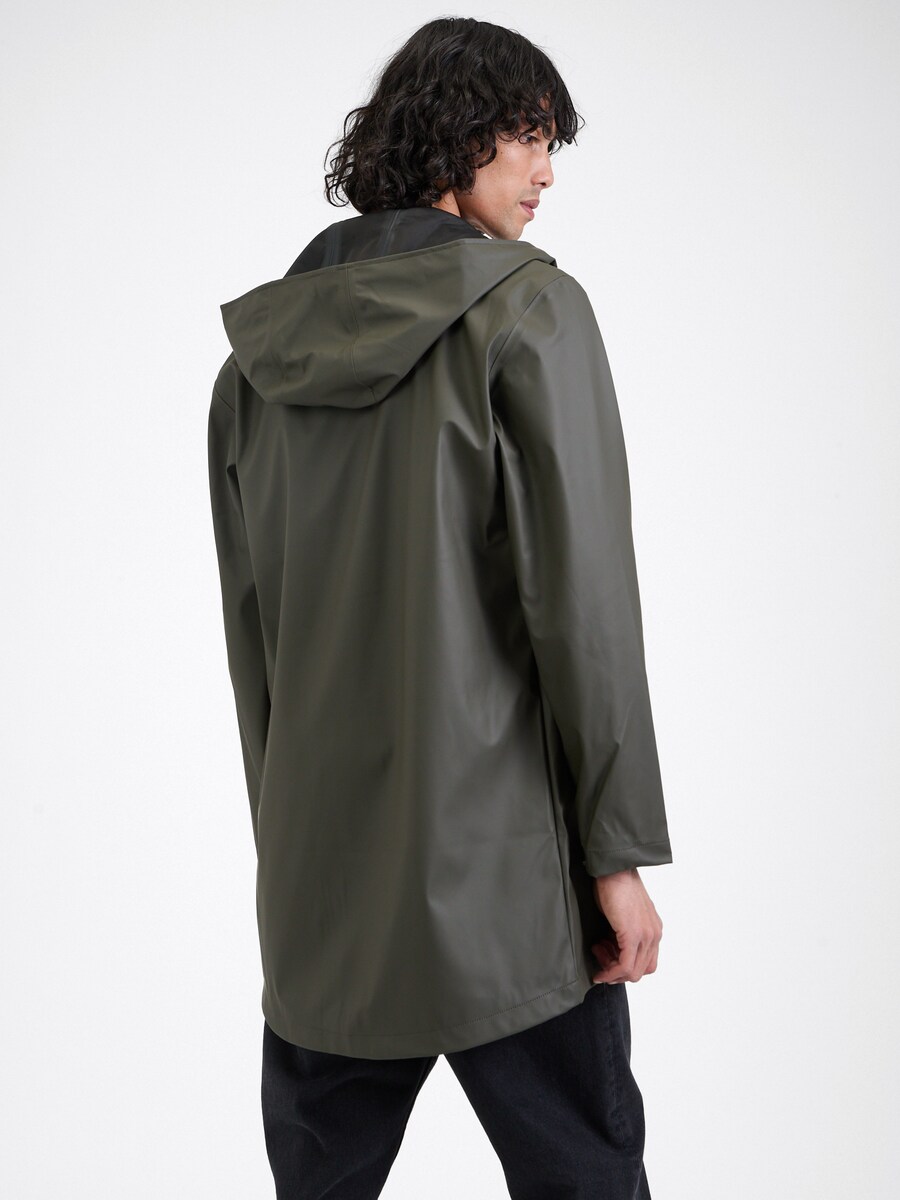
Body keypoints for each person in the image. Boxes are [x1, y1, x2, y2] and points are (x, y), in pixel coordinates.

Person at [207, 16, 674, 1199]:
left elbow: (256, 646)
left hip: (322, 898)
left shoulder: (253, 366)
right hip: (507, 889)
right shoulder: (530, 313)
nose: (547, 171)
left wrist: (289, 853)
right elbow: (585, 607)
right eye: (527, 135)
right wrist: (617, 853)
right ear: (456, 137)